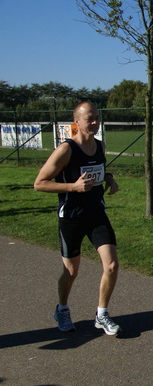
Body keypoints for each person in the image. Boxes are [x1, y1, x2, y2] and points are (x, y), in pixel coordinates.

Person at [34, 101, 121, 336]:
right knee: (71, 272)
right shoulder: (66, 150)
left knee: (111, 265)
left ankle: (101, 314)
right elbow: (39, 184)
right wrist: (73, 187)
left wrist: (110, 179)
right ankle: (62, 309)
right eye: (88, 119)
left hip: (96, 215)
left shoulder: (100, 146)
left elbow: (101, 169)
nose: (94, 122)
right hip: (71, 218)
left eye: (96, 118)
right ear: (77, 122)